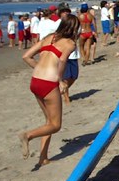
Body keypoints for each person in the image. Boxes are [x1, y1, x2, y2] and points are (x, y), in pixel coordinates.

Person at [19, 14, 81, 167]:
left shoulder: (49, 37)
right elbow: (62, 61)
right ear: (74, 28)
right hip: (48, 83)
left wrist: (40, 67)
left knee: (48, 122)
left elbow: (26, 56)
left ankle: (43, 158)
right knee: (56, 125)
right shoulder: (70, 43)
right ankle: (27, 135)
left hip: (35, 81)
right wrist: (60, 80)